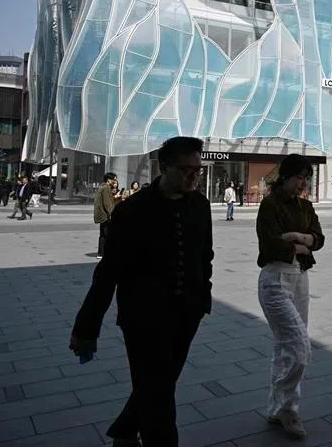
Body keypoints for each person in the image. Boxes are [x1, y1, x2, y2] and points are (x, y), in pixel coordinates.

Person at [69, 137, 213, 447]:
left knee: (158, 384)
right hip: (143, 319)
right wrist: (86, 326)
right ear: (164, 167)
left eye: (198, 170)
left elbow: (205, 256)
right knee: (160, 400)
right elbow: (108, 272)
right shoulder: (133, 210)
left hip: (187, 314)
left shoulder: (200, 206)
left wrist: (204, 297)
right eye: (186, 169)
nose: (193, 176)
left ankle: (124, 429)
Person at [256, 154, 324, 439]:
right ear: (285, 176)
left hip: (301, 278)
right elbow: (270, 244)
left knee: (284, 349)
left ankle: (278, 408)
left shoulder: (306, 206)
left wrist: (297, 237)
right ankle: (287, 408)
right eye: (299, 178)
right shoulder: (269, 205)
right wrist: (301, 241)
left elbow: (318, 239)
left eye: (306, 178)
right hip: (274, 280)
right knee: (299, 349)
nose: (302, 183)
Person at [94, 173, 118, 259]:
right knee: (108, 235)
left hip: (102, 215)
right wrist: (112, 214)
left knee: (103, 235)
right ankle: (106, 253)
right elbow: (107, 204)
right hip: (105, 216)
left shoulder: (102, 187)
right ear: (109, 180)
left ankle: (101, 253)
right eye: (114, 179)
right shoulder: (106, 188)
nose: (115, 181)